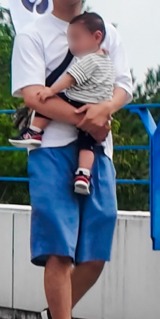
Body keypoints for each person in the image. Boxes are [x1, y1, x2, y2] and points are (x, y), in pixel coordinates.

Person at [12, 0, 133, 319]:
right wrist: (88, 117)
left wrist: (106, 113)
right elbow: (31, 94)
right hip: (50, 149)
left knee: (95, 251)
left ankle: (54, 314)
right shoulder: (33, 34)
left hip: (97, 150)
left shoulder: (105, 31)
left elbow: (123, 84)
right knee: (58, 248)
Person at [19, 11, 113, 196]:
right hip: (96, 107)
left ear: (96, 37)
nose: (72, 46)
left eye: (76, 39)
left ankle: (34, 132)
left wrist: (50, 91)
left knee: (48, 104)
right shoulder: (106, 59)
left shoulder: (89, 60)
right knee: (87, 144)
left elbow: (70, 78)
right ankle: (83, 175)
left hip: (79, 101)